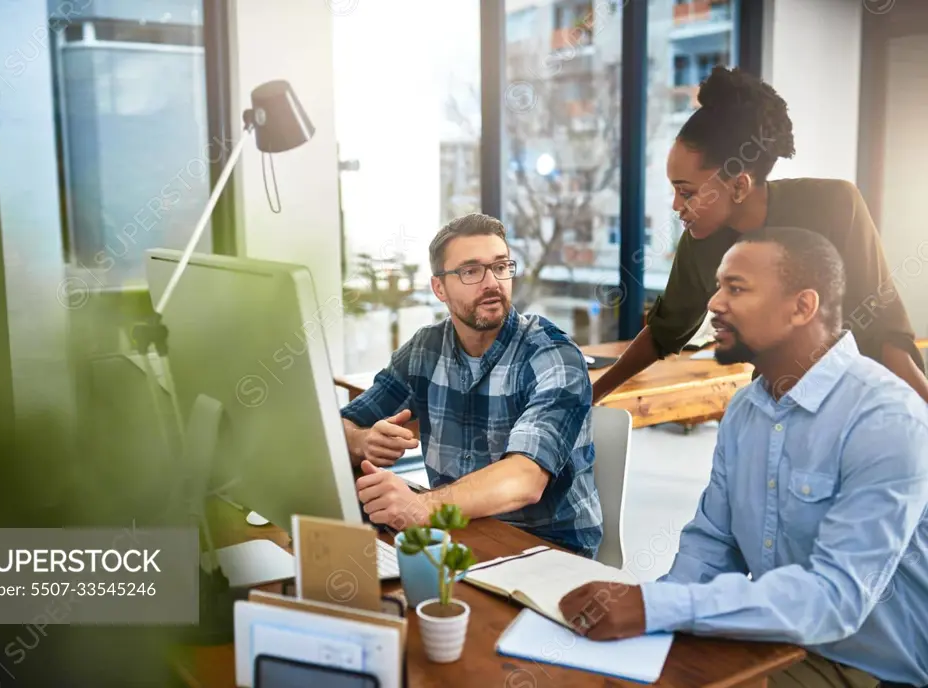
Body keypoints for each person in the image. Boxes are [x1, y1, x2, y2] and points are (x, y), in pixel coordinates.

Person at [558, 227, 928, 687]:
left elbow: (836, 600)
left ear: (802, 307)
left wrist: (657, 607)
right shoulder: (746, 408)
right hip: (772, 642)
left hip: (870, 669)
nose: (714, 302)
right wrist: (654, 623)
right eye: (718, 285)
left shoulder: (887, 418)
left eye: (736, 288)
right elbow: (712, 545)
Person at [592, 65, 928, 405]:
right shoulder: (700, 244)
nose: (677, 206)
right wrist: (593, 393)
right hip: (777, 401)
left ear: (739, 185)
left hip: (867, 399)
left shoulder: (836, 206)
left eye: (688, 193)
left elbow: (885, 329)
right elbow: (664, 333)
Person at [339, 213, 602, 557]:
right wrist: (363, 441)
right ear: (439, 288)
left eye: (500, 266)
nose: (491, 282)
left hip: (549, 551)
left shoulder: (552, 353)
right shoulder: (425, 349)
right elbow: (339, 427)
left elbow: (526, 479)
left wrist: (423, 507)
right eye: (471, 271)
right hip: (459, 535)